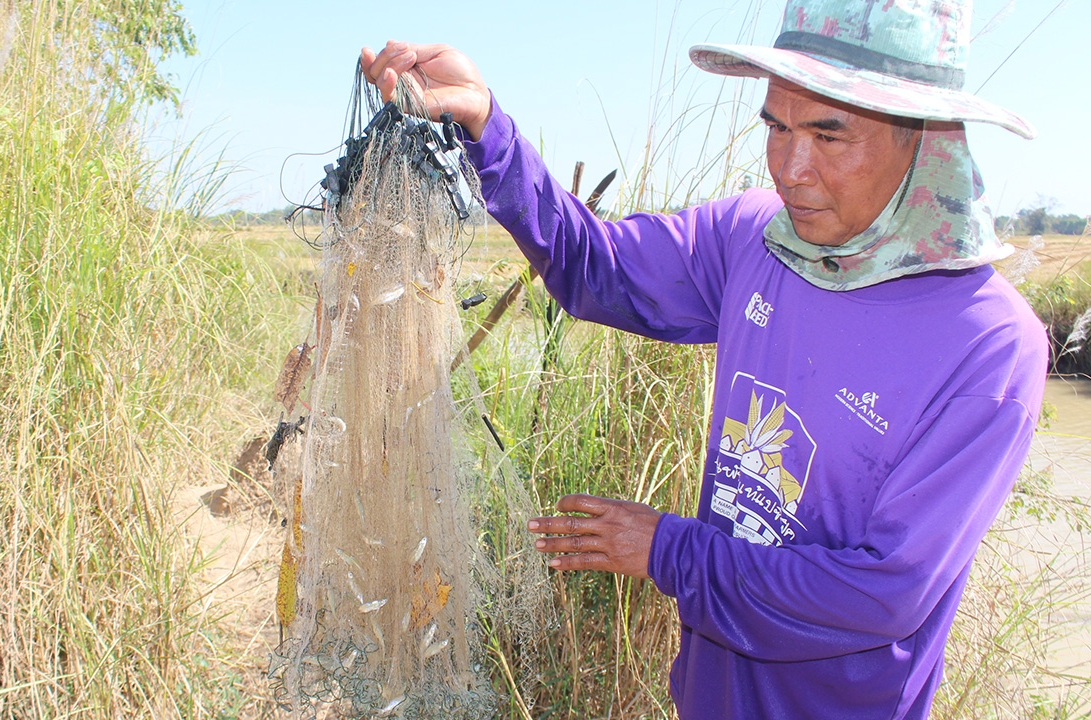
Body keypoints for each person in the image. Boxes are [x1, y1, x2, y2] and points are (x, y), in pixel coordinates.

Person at [360, 0, 1047, 717]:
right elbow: (595, 267)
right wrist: (484, 123)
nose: (791, 167)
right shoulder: (754, 238)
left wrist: (668, 550)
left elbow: (881, 596)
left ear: (925, 137)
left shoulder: (988, 349)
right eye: (776, 127)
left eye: (828, 134)